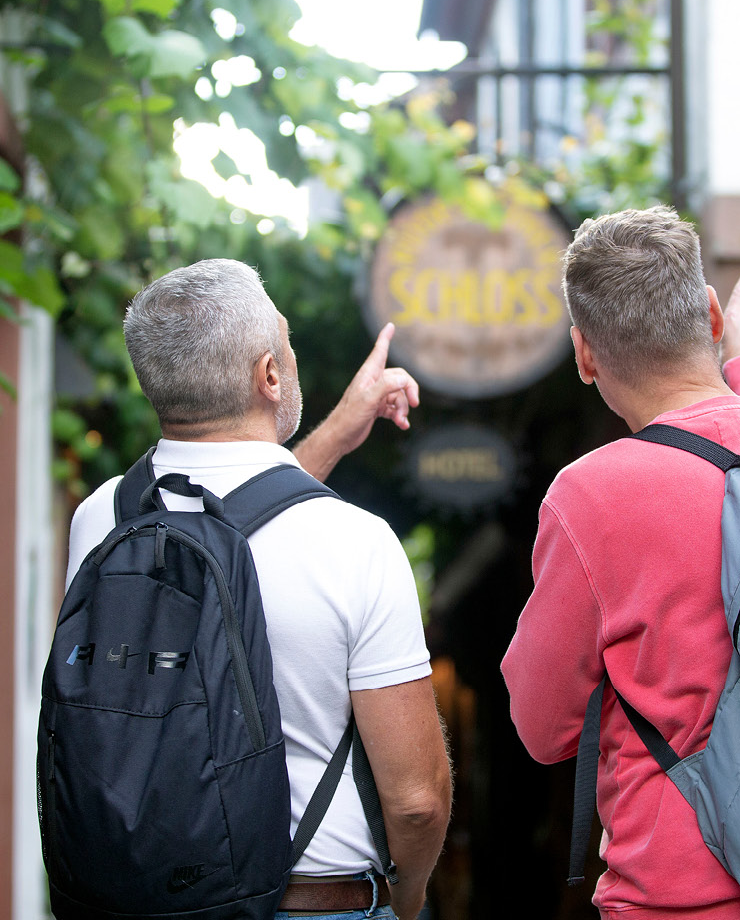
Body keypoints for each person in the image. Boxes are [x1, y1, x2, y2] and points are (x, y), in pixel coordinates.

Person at [500, 207, 740, 920]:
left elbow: (542, 729)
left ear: (584, 353)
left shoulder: (588, 495)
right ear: (708, 312)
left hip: (673, 898)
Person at [64, 258, 452, 920]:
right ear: (269, 375)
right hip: (314, 906)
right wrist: (406, 894)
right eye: (287, 345)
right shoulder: (354, 541)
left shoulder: (102, 520)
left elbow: (224, 524)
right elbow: (416, 799)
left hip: (135, 900)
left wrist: (333, 433)